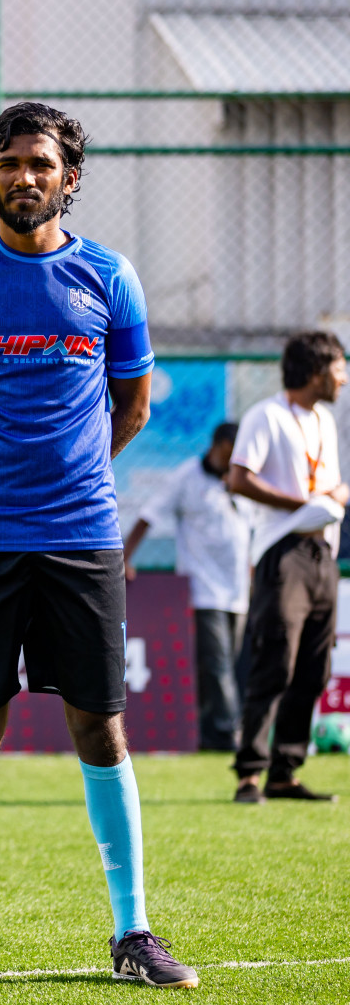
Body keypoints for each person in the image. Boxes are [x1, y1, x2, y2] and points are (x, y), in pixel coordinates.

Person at [0, 102, 198, 990]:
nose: (23, 178)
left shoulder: (110, 276)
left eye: (41, 164)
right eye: (7, 163)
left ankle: (133, 932)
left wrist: (74, 479)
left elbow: (133, 406)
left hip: (81, 538)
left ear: (69, 177)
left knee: (99, 727)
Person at [228, 330, 347, 804]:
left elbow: (335, 484)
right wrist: (301, 503)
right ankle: (249, 774)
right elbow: (239, 478)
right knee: (275, 659)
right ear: (317, 372)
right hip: (284, 551)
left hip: (323, 553)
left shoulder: (326, 421)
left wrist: (334, 498)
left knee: (314, 669)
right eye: (339, 367)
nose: (344, 378)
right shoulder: (267, 415)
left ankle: (285, 771)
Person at [123, 423, 251, 751]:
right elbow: (149, 515)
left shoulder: (241, 481)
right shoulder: (188, 476)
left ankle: (207, 733)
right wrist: (123, 558)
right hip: (204, 589)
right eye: (232, 452)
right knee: (218, 663)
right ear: (218, 445)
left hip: (239, 591)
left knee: (223, 665)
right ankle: (228, 734)